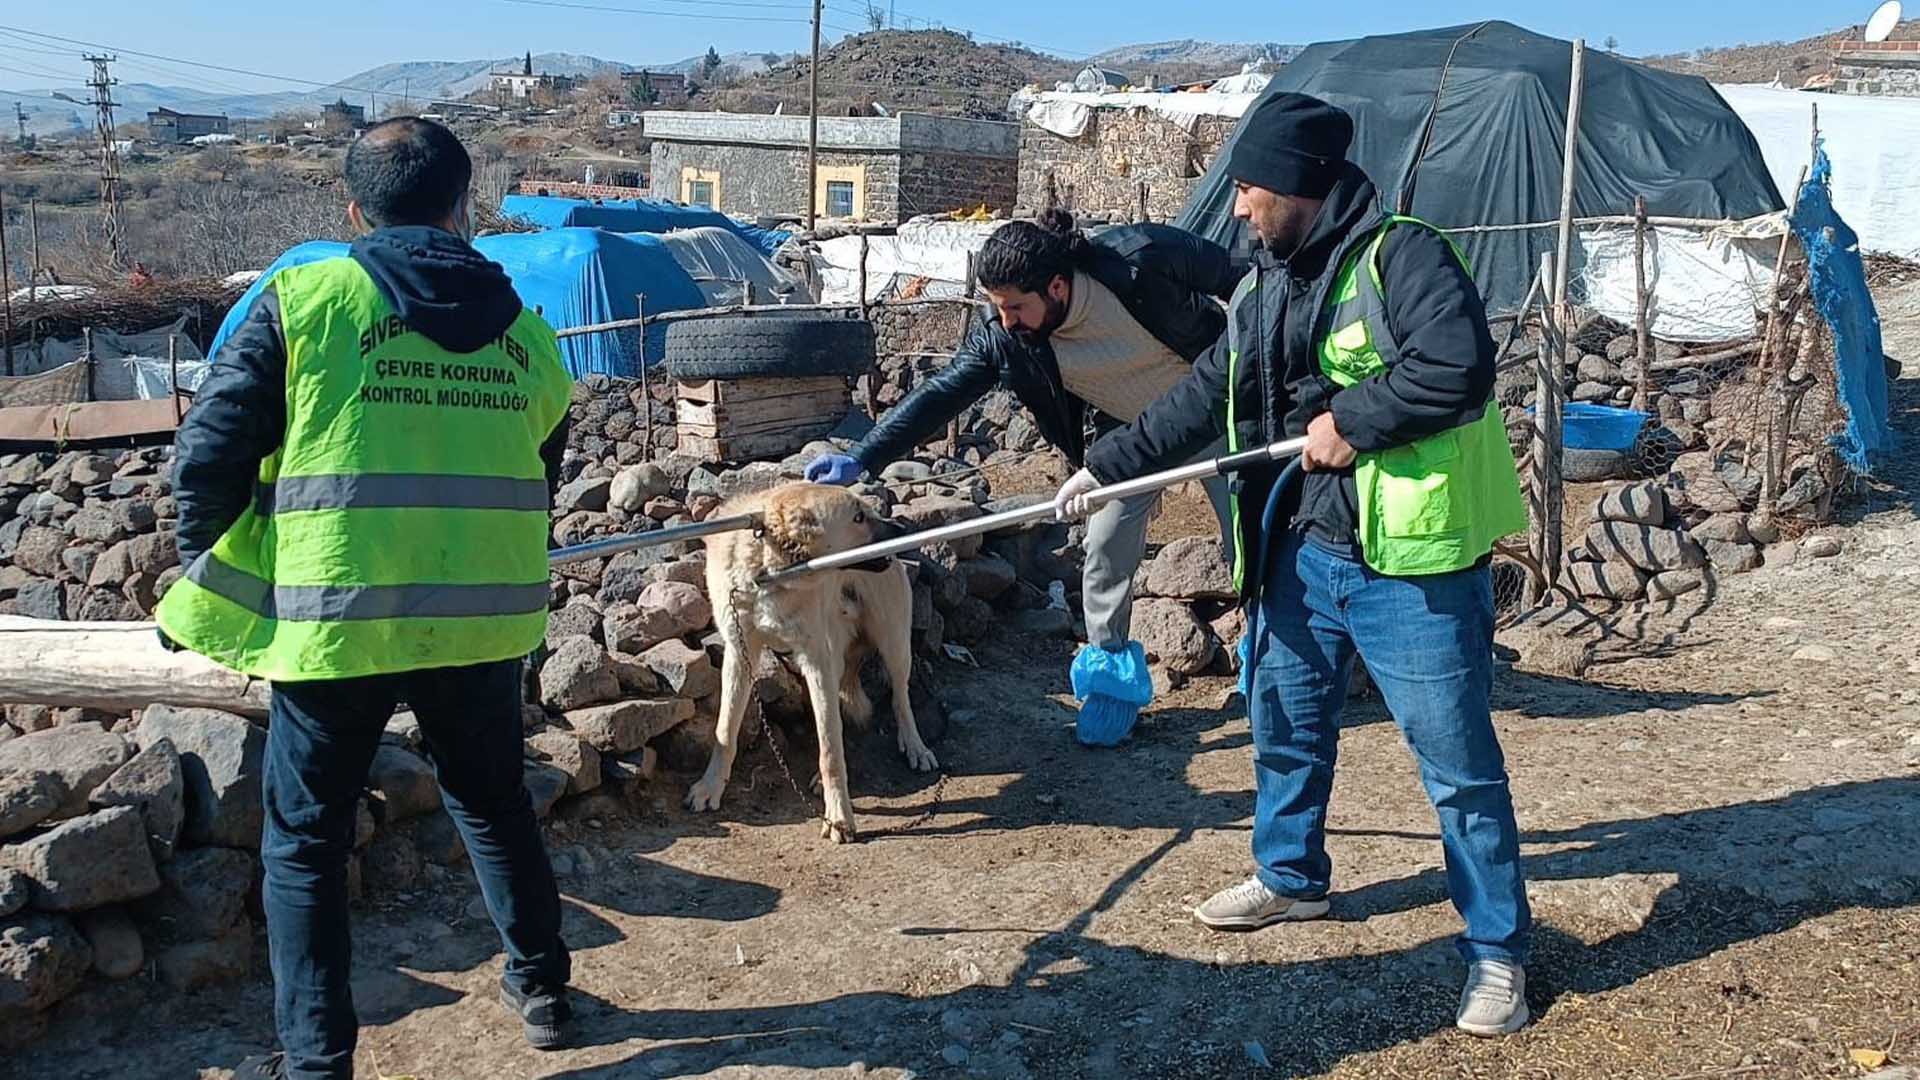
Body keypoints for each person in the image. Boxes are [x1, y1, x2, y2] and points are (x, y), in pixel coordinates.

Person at [1054, 93, 1534, 1036]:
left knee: (1459, 766)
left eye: (1249, 187)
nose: (1236, 207)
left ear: (1303, 186)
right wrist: (1103, 469)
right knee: (1284, 722)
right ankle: (1290, 879)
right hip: (1299, 548)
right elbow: (1202, 396)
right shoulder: (1264, 280)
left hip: (1411, 562)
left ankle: (1497, 952)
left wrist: (1350, 424)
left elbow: (1458, 368)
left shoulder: (1406, 256)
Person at [155, 117, 577, 1079]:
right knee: (495, 802)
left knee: (305, 843)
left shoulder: (306, 300)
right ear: (462, 208)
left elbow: (209, 457)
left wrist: (209, 576)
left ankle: (316, 1059)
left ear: (353, 210)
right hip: (480, 617)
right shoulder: (529, 333)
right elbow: (541, 467)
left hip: (337, 620)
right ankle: (544, 989)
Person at [806, 210, 1241, 745]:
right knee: (1104, 552)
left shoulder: (1140, 258)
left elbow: (1246, 279)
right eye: (997, 307)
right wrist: (865, 456)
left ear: (1057, 286)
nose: (1006, 319)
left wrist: (1260, 366)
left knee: (1249, 541)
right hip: (1126, 442)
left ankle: (1270, 669)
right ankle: (1110, 689)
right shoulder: (1008, 339)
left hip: (1218, 413)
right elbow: (941, 394)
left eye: (1016, 306)